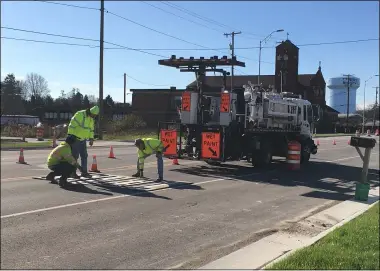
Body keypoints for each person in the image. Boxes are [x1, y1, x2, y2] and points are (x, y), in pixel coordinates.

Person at [67, 105, 99, 177]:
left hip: (83, 139)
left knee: (84, 156)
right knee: (75, 156)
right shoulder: (80, 114)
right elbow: (71, 125)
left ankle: (84, 172)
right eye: (93, 115)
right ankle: (72, 172)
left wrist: (91, 138)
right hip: (75, 139)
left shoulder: (91, 119)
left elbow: (91, 130)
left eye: (95, 116)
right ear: (90, 112)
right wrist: (71, 136)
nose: (94, 117)